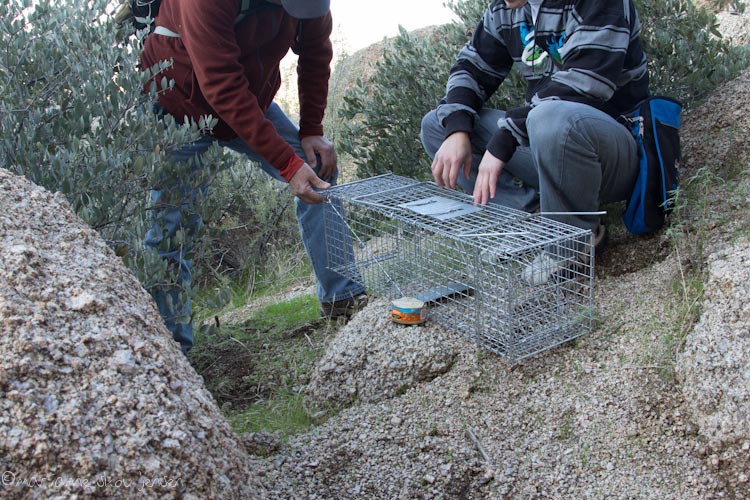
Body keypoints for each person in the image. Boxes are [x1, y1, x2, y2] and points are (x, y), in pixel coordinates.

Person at [139, 0, 367, 353]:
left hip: (249, 102)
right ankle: (172, 355)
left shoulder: (308, 5)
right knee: (171, 232)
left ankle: (344, 301)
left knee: (320, 172)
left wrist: (311, 131)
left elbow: (316, 54)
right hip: (177, 106)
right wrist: (288, 165)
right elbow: (220, 85)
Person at [420, 0, 649, 284]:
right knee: (437, 126)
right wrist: (457, 130)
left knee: (550, 118)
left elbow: (586, 83)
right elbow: (471, 67)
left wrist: (505, 137)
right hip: (547, 138)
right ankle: (531, 224)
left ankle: (572, 241)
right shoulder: (506, 8)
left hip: (614, 152)